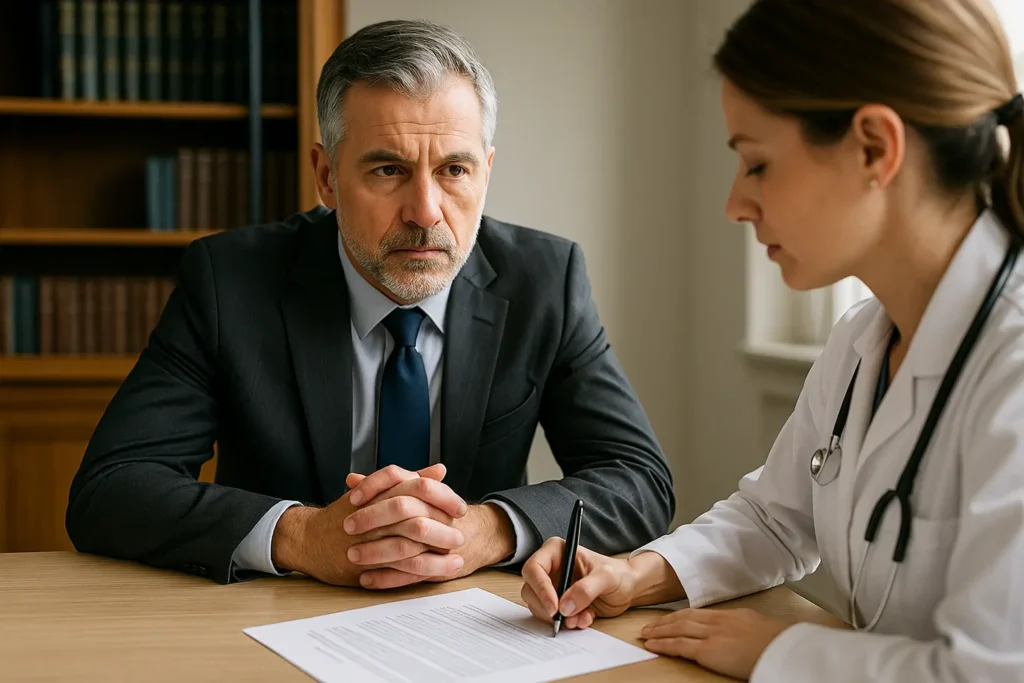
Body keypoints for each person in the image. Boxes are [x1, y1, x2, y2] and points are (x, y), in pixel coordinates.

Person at [65, 19, 674, 589]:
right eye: (388, 170)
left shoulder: (544, 280)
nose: (426, 212)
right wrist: (301, 537)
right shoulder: (230, 280)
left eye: (454, 170)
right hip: (275, 615)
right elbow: (111, 487)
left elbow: (639, 479)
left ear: (485, 172)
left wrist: (487, 530)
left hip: (476, 624)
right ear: (326, 176)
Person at [521, 0, 1024, 681]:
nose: (736, 204)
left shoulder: (1013, 362)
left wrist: (774, 650)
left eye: (756, 164)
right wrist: (635, 573)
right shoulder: (863, 337)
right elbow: (775, 518)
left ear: (875, 147)